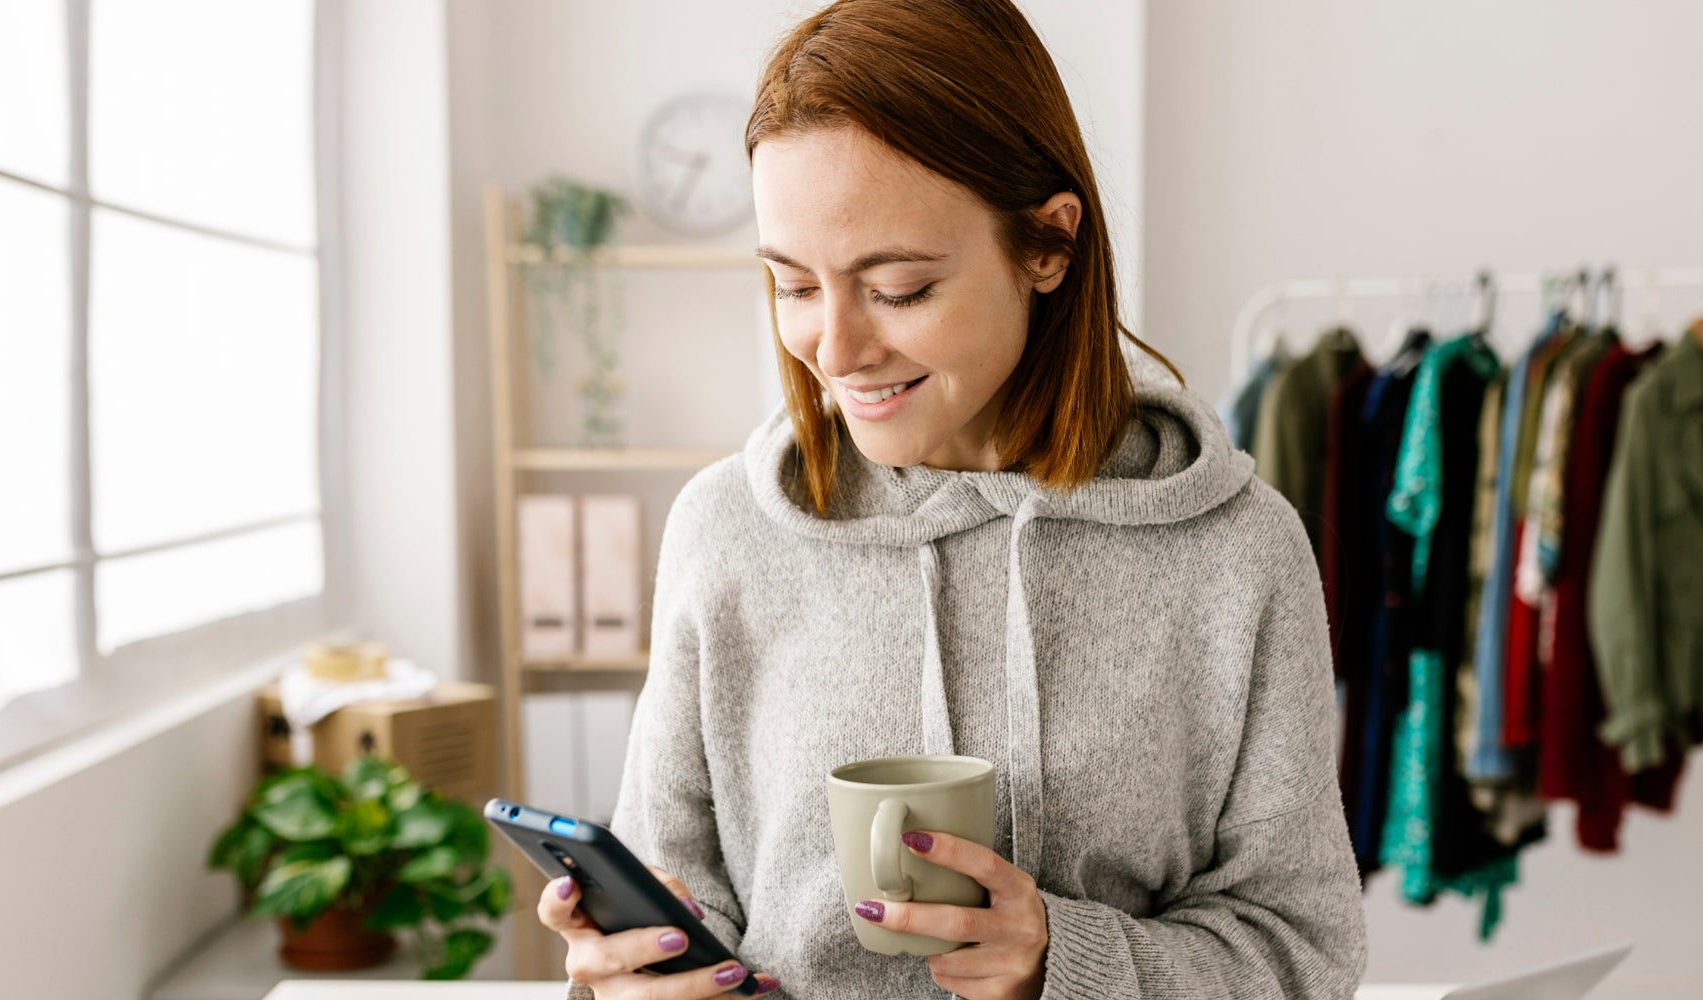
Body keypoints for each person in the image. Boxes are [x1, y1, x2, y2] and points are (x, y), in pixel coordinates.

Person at [536, 1, 1368, 996]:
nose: (833, 351)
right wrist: (631, 969)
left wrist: (1064, 958)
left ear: (1048, 246)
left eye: (897, 287)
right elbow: (683, 898)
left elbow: (1304, 951)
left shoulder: (1235, 550)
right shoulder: (724, 531)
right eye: (793, 285)